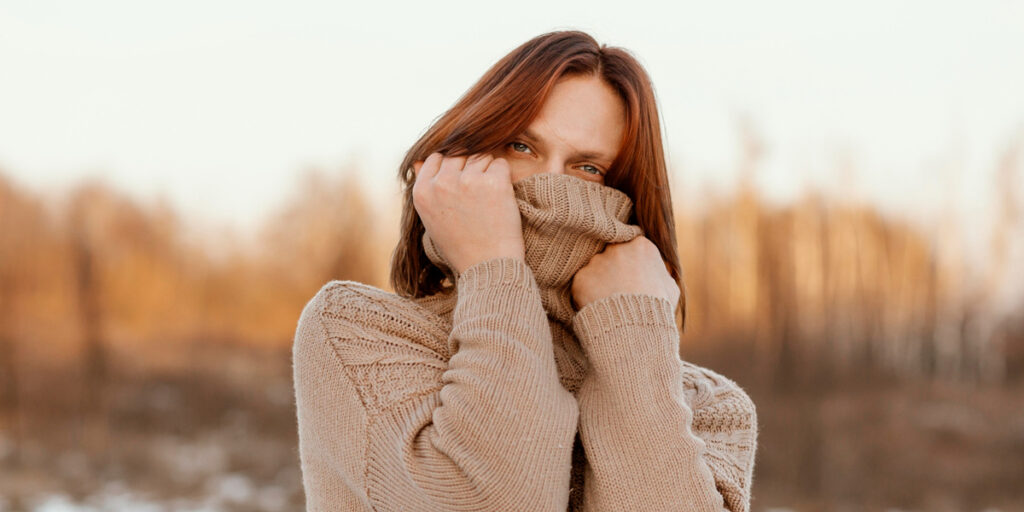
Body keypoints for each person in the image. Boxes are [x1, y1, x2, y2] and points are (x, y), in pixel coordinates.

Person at [292, 30, 758, 511]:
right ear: (464, 156)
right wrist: (494, 267)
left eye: (589, 168)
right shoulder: (355, 332)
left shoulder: (707, 407)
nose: (549, 184)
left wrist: (633, 336)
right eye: (521, 147)